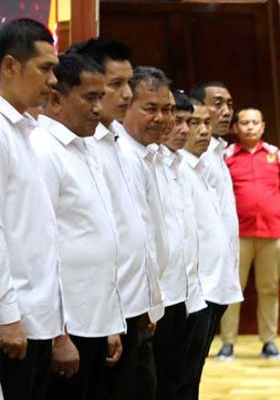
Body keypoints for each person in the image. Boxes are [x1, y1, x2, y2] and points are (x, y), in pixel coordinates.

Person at [70, 40, 165, 400]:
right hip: (98, 312)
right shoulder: (79, 145)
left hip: (130, 306)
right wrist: (111, 314)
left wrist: (149, 298)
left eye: (129, 84)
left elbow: (137, 229)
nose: (126, 94)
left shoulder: (118, 143)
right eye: (115, 85)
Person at [30, 54, 125, 399]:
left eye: (101, 97)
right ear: (56, 99)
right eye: (90, 98)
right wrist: (59, 334)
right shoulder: (44, 150)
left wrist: (111, 323)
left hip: (95, 318)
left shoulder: (86, 148)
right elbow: (43, 247)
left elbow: (99, 236)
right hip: (68, 326)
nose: (99, 109)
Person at [0, 18, 66, 400]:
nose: (54, 80)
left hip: (39, 317)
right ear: (11, 66)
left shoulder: (26, 131)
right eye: (45, 68)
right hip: (15, 321)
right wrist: (7, 316)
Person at [218, 108, 280, 360]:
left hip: (272, 233)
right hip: (236, 235)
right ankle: (227, 343)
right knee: (231, 290)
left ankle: (269, 342)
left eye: (254, 123)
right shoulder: (225, 155)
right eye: (244, 123)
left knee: (269, 289)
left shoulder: (275, 155)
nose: (249, 127)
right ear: (235, 127)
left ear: (263, 126)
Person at [179, 98, 242, 397]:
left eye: (206, 123)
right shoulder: (180, 166)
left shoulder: (211, 159)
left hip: (216, 281)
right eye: (195, 123)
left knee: (192, 374)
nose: (204, 130)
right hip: (196, 287)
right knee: (180, 376)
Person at [156, 90, 208, 400]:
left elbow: (188, 238)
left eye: (189, 122)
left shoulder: (177, 166)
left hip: (185, 293)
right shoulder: (150, 162)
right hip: (159, 299)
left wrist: (192, 296)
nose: (184, 129)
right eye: (179, 121)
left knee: (182, 382)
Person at [190, 82, 241, 348]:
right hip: (203, 281)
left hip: (220, 275)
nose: (226, 111)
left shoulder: (217, 152)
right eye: (217, 103)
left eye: (230, 105)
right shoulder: (197, 155)